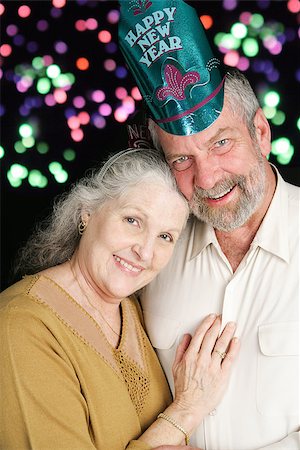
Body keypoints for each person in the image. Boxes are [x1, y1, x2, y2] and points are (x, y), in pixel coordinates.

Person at [118, 1, 300, 449]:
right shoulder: (150, 253)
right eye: (182, 159)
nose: (207, 178)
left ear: (260, 132)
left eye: (221, 144)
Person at [0, 147, 240, 450]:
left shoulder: (134, 310)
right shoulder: (20, 327)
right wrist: (187, 410)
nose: (145, 252)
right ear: (87, 212)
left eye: (165, 236)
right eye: (133, 221)